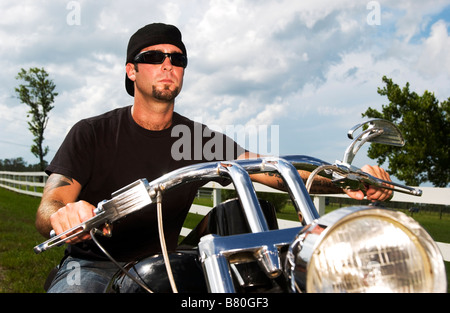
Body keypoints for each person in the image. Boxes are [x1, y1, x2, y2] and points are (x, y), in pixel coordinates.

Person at [35, 23, 392, 293]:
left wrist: (350, 181)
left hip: (162, 264)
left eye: (177, 58)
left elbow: (272, 171)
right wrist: (66, 213)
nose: (167, 65)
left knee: (240, 218)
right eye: (153, 57)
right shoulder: (92, 132)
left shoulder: (197, 139)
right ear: (131, 70)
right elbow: (50, 205)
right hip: (94, 264)